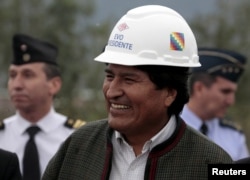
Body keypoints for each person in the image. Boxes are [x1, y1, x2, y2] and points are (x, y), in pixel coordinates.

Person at [42, 5, 233, 180]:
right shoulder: (78, 147)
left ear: (169, 93)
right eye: (109, 76)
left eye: (129, 79)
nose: (112, 92)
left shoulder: (212, 163)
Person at [0, 33, 85, 180]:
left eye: (28, 75)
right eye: (13, 75)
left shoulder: (78, 137)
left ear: (54, 84)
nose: (17, 85)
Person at [181, 47, 249, 161]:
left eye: (233, 93)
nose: (231, 101)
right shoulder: (167, 127)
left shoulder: (233, 135)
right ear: (199, 88)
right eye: (225, 92)